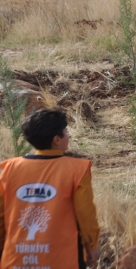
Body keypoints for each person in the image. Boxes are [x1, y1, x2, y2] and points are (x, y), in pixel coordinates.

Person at [0, 109, 100, 268]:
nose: (68, 136)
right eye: (66, 132)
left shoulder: (9, 169)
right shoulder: (77, 170)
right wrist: (92, 246)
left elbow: (1, 215)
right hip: (63, 259)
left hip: (16, 259)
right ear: (57, 140)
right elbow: (85, 213)